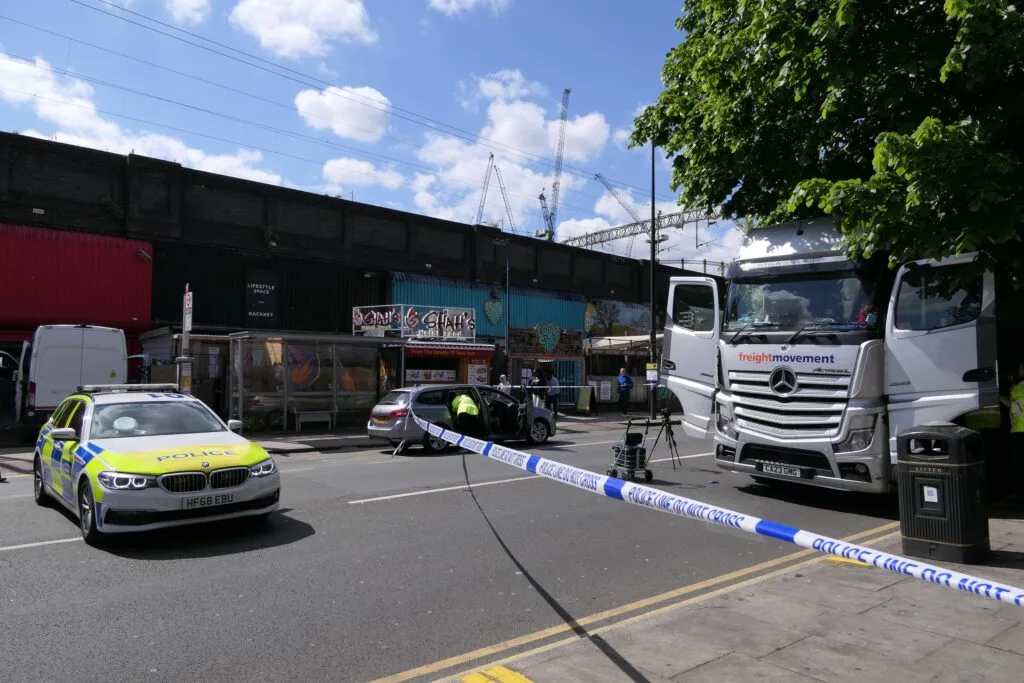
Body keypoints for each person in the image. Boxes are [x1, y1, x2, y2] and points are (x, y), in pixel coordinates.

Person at [1000, 362, 1024, 507]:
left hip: (1021, 431)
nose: (1017, 370)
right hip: (1018, 430)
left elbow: (1013, 401)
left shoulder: (1020, 387)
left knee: (1021, 468)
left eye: (1020, 368)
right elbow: (1013, 404)